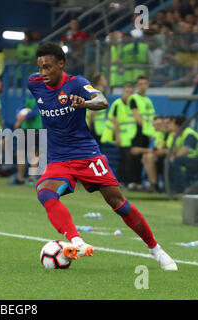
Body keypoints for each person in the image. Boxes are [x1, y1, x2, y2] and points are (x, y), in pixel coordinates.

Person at [28, 42, 177, 270]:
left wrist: (84, 103)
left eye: (48, 67)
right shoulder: (34, 83)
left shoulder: (77, 83)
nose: (43, 73)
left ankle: (156, 250)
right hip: (59, 158)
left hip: (86, 154)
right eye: (40, 68)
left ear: (61, 64)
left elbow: (102, 101)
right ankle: (76, 241)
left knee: (117, 202)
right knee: (45, 192)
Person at [100, 83, 136, 187]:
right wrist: (117, 137)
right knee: (124, 160)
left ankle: (127, 182)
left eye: (130, 92)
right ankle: (121, 181)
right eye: (126, 91)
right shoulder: (117, 104)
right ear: (122, 92)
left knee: (128, 160)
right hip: (120, 137)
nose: (128, 94)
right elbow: (115, 122)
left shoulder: (132, 104)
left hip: (129, 137)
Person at [127, 75, 156, 190]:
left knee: (143, 157)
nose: (143, 86)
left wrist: (151, 132)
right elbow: (137, 117)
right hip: (137, 131)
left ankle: (139, 182)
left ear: (148, 85)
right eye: (140, 84)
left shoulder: (148, 100)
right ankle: (134, 181)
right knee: (135, 156)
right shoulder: (134, 98)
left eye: (145, 83)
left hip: (146, 132)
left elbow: (151, 118)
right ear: (137, 86)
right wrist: (147, 131)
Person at [8, 94, 42, 186]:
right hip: (24, 128)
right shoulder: (27, 97)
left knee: (34, 154)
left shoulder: (41, 96)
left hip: (36, 128)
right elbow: (19, 108)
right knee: (21, 153)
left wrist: (24, 117)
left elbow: (36, 111)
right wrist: (19, 115)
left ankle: (31, 179)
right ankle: (20, 178)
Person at [167, 115, 198, 193]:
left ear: (177, 126)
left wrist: (173, 158)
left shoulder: (189, 134)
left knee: (177, 161)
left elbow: (183, 152)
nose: (169, 126)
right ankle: (169, 188)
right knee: (168, 161)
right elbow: (171, 152)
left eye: (172, 124)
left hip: (195, 159)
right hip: (188, 160)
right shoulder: (175, 135)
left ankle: (180, 189)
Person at [87, 73, 108, 146]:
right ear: (99, 82)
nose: (106, 80)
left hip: (100, 128)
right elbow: (92, 112)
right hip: (95, 128)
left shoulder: (100, 93)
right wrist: (88, 127)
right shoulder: (96, 94)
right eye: (103, 79)